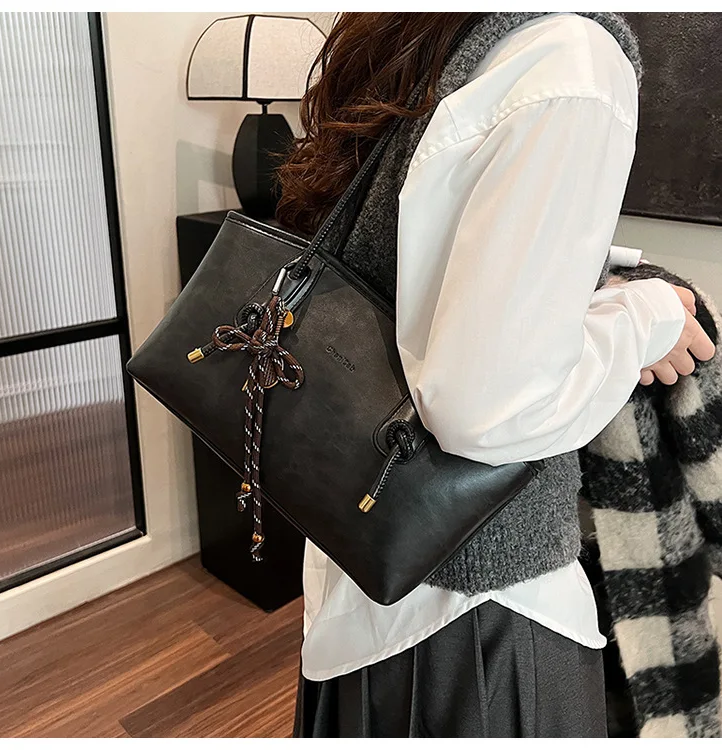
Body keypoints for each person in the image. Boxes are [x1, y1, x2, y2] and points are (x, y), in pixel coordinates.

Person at [276, 12, 716, 738]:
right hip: (480, 613)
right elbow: (490, 408)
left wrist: (588, 278)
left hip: (367, 554)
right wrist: (651, 315)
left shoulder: (434, 33)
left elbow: (413, 256)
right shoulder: (572, 59)